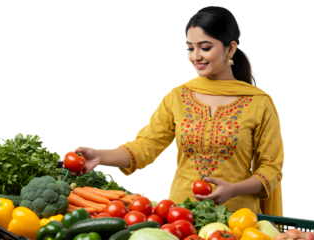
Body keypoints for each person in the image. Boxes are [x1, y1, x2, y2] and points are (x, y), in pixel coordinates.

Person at [64, 4, 284, 216]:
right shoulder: (178, 96)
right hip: (180, 218)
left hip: (239, 221)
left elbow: (271, 168)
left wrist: (233, 189)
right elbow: (145, 146)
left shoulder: (259, 103)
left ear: (231, 48)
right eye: (190, 48)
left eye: (205, 47)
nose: (195, 56)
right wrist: (99, 155)